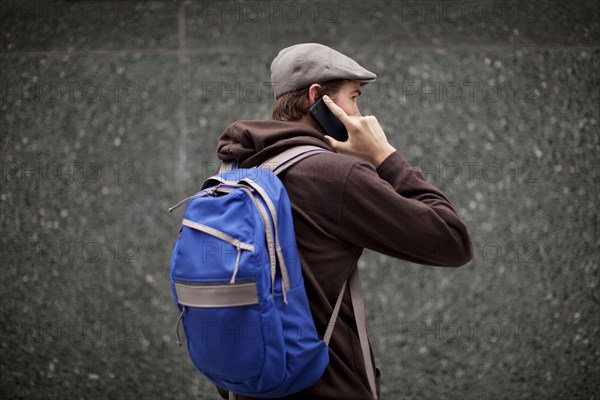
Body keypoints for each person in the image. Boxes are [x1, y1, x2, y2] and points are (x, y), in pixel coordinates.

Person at [215, 43, 472, 399]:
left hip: (248, 388)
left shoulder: (236, 173)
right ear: (317, 97)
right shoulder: (333, 175)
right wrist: (384, 156)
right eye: (354, 97)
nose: (360, 114)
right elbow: (451, 241)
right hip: (326, 387)